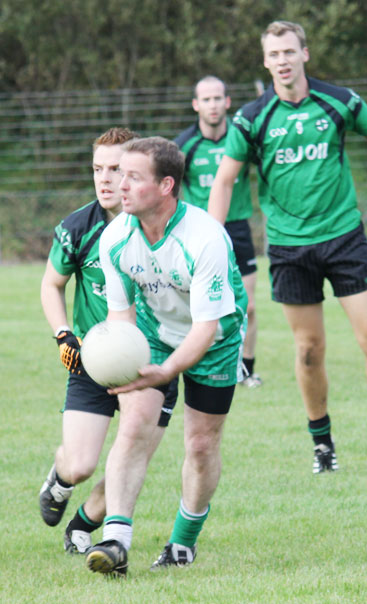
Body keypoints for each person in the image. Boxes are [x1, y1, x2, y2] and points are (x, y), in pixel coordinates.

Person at [209, 20, 367, 474]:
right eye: (273, 54)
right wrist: (210, 239)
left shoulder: (339, 101)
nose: (282, 60)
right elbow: (224, 180)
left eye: (289, 51)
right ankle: (323, 446)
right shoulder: (251, 118)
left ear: (305, 54)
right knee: (308, 350)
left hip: (344, 238)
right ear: (265, 61)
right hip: (288, 248)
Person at [85, 136, 247, 577]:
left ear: (166, 186)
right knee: (135, 424)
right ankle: (115, 542)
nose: (119, 185)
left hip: (214, 339)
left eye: (133, 177)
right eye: (118, 174)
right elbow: (122, 319)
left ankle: (183, 543)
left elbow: (205, 327)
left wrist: (169, 371)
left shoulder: (205, 238)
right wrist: (126, 365)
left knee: (199, 444)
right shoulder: (115, 238)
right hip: (155, 335)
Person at [39, 127, 178, 554]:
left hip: (151, 362)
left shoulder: (165, 227)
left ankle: (86, 526)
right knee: (80, 464)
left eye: (115, 169)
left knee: (131, 453)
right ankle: (60, 480)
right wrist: (64, 334)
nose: (104, 179)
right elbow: (51, 285)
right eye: (98, 169)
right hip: (92, 358)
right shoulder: (79, 227)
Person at [175, 75, 261, 387]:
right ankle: (192, 362)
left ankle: (247, 370)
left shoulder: (241, 140)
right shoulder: (184, 145)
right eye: (206, 99)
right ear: (196, 105)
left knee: (248, 305)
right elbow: (169, 186)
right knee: (194, 303)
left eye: (218, 99)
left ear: (227, 103)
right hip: (198, 232)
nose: (213, 105)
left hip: (237, 228)